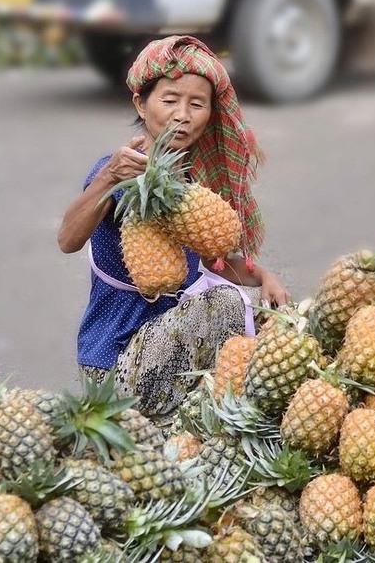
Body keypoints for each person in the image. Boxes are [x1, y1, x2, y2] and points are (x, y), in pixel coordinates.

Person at [58, 34, 291, 423]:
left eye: (196, 104)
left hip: (171, 346)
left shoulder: (186, 185)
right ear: (141, 103)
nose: (183, 114)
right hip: (115, 363)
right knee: (227, 305)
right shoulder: (118, 170)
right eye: (169, 100)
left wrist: (263, 275)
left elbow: (211, 263)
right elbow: (67, 239)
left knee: (272, 322)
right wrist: (107, 179)